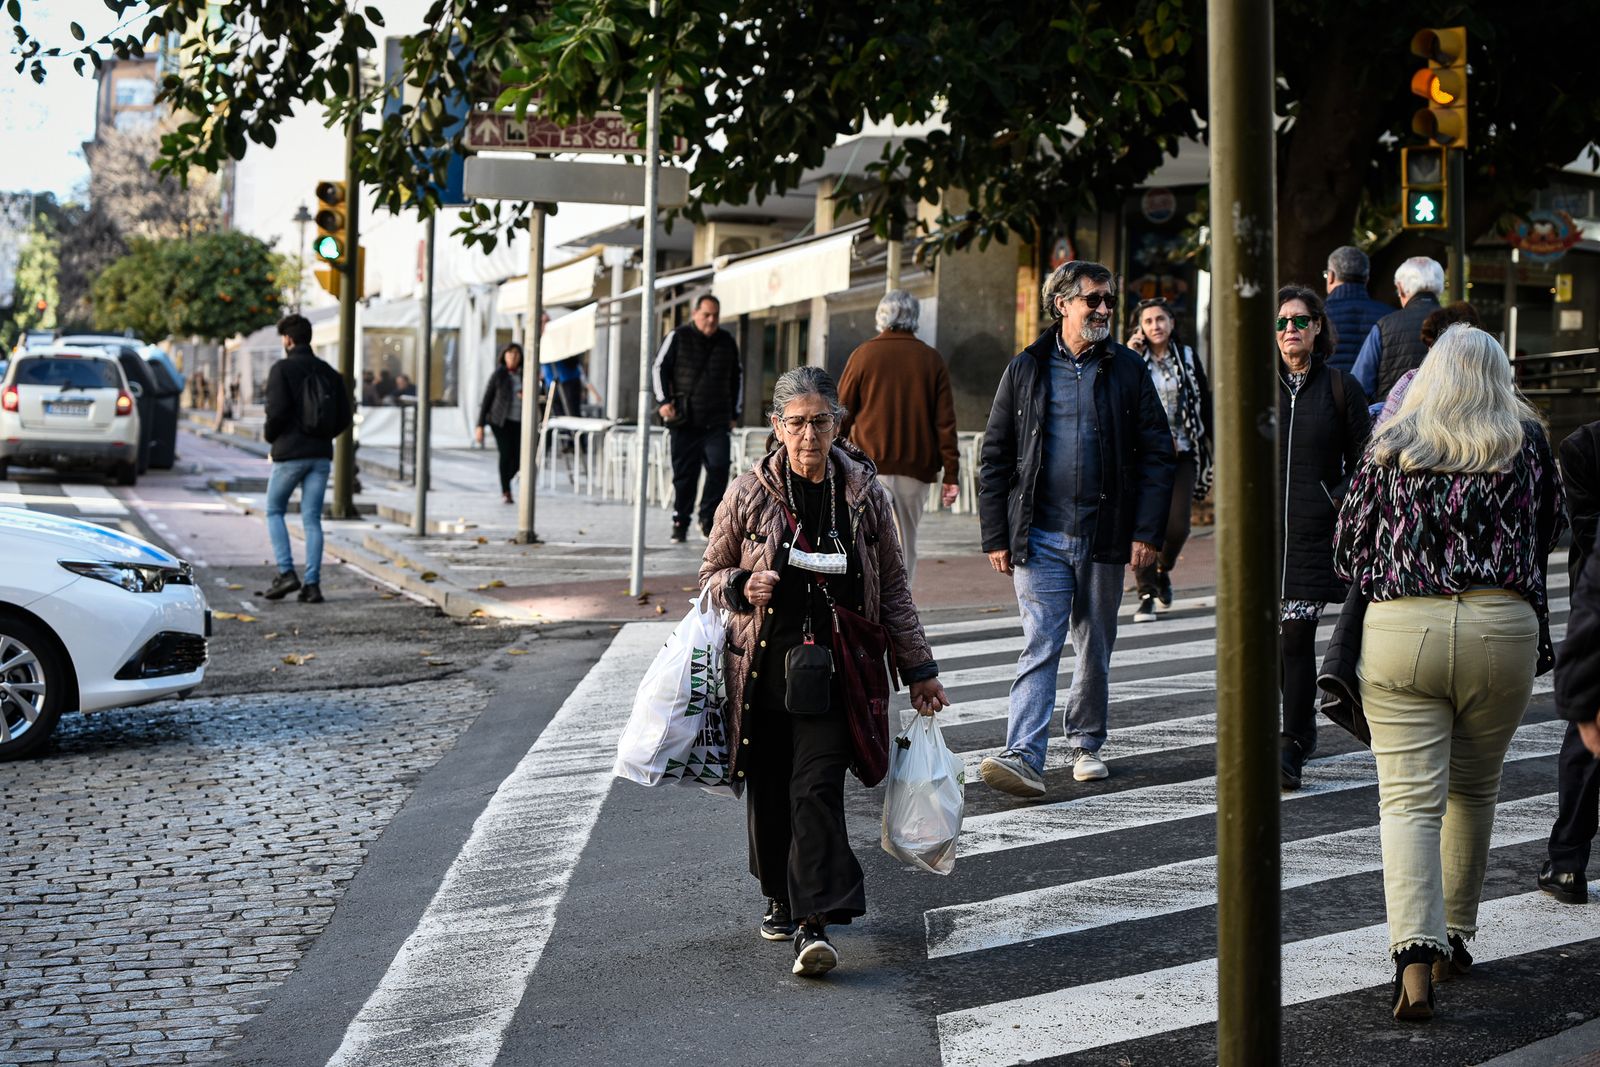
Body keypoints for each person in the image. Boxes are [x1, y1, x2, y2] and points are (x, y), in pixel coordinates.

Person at [1334, 324, 1567, 1021]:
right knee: (1473, 787)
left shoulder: (1393, 446)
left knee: (1407, 799)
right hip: (1503, 627)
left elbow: (1348, 549)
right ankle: (1456, 936)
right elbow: (1551, 529)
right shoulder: (1527, 446)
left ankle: (1412, 954)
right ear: (1500, 376)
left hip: (1406, 627)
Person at [699, 365, 949, 978]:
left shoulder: (865, 494)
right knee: (770, 789)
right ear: (776, 427)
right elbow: (707, 577)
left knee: (815, 788)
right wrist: (739, 583)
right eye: (797, 423)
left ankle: (813, 923)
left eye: (821, 422)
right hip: (761, 671)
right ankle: (781, 896)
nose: (810, 436)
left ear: (839, 424)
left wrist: (918, 667)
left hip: (841, 668)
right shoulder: (747, 492)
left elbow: (893, 588)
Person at [975, 261, 1176, 797]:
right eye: (1094, 300)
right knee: (1040, 642)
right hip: (1038, 534)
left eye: (1109, 300)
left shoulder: (1128, 369)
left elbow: (1159, 454)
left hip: (1105, 533)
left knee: (1093, 643)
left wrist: (1147, 532)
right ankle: (1024, 755)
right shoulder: (1026, 368)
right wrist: (996, 533)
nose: (1105, 309)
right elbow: (995, 456)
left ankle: (1085, 742)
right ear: (1062, 303)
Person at [1275, 284, 1371, 790]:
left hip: (1314, 535)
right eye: (1282, 322)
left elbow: (1366, 460)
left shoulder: (1340, 388)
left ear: (1317, 328)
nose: (1289, 330)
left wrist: (1334, 496)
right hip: (1262, 541)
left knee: (1295, 639)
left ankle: (1294, 743)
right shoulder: (1254, 387)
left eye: (1299, 320)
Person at [836, 289, 960, 586]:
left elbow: (842, 411)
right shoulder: (931, 360)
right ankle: (901, 609)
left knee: (863, 538)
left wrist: (834, 454)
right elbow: (945, 422)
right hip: (914, 470)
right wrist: (951, 474)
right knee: (904, 542)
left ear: (881, 317)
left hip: (865, 466)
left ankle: (868, 604)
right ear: (914, 319)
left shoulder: (863, 354)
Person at [1540, 414, 1600, 906]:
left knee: (1584, 742)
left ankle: (1566, 861)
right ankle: (1566, 861)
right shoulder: (1581, 448)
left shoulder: (1581, 447)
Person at [1124, 296, 1213, 622]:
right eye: (1148, 321)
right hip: (1143, 456)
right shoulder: (1130, 359)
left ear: (1171, 323)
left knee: (1177, 526)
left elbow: (1203, 402)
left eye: (1160, 319)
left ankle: (1163, 568)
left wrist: (1213, 444)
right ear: (1139, 327)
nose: (1155, 326)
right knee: (1144, 525)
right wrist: (1131, 354)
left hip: (1183, 453)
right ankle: (1146, 593)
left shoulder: (1188, 357)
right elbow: (1120, 400)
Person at [261, 314, 350, 605]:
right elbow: (344, 417)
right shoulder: (329, 372)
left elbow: (276, 413)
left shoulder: (282, 369)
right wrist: (323, 436)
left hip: (289, 453)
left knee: (274, 510)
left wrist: (271, 437)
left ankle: (286, 572)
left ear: (288, 339)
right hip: (320, 454)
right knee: (312, 519)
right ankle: (312, 585)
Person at [654, 293, 743, 543]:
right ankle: (680, 521)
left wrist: (735, 413)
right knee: (685, 475)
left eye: (715, 315)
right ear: (695, 314)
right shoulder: (678, 336)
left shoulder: (727, 341)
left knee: (719, 468)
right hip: (685, 420)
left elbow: (738, 377)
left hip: (717, 420)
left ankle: (708, 519)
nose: (711, 320)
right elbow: (658, 367)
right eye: (706, 315)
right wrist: (663, 402)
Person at [1351, 256, 1445, 404]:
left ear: (1400, 288)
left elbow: (1358, 386)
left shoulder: (1384, 327)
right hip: (1444, 424)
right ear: (1440, 288)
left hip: (1392, 422)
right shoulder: (1458, 325)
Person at [1374, 302, 1482, 427]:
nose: (1429, 352)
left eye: (1432, 346)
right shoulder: (1489, 385)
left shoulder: (1410, 382)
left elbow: (1383, 434)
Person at [1322, 245, 1392, 374]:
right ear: (1366, 278)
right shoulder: (1389, 316)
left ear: (1331, 276)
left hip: (1327, 391)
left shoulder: (1317, 315)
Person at [475, 342, 527, 504]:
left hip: (520, 421)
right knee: (505, 453)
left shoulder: (526, 374)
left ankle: (506, 479)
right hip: (500, 421)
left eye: (516, 354)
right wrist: (480, 425)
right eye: (510, 353)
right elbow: (487, 399)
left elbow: (540, 394)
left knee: (519, 457)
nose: (513, 357)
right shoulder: (499, 374)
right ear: (504, 356)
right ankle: (506, 491)